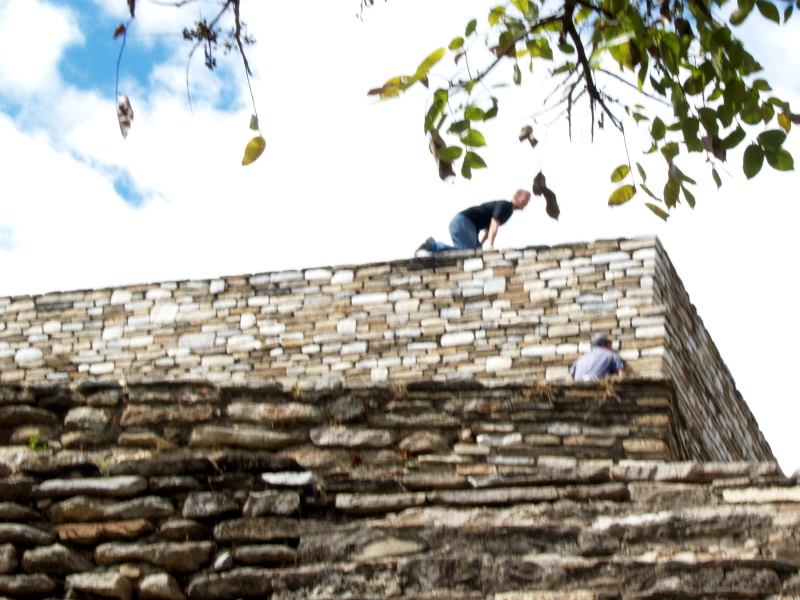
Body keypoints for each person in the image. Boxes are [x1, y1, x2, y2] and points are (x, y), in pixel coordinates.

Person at [417, 189, 531, 254]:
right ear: (515, 197)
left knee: (475, 253)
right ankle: (432, 245)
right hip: (464, 222)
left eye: (528, 201)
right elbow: (493, 225)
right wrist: (491, 246)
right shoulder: (505, 205)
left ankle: (433, 247)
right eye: (525, 199)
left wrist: (480, 245)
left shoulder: (508, 212)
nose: (526, 203)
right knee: (467, 253)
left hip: (468, 226)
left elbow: (488, 230)